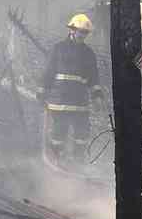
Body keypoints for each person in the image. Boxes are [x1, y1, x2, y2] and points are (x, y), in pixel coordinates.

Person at [40, 14, 103, 164]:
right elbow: (48, 72)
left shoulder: (88, 53)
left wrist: (97, 96)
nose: (83, 35)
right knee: (59, 132)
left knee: (82, 133)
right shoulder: (58, 49)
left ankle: (78, 161)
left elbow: (93, 78)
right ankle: (56, 159)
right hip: (59, 100)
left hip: (80, 102)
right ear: (72, 30)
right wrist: (41, 91)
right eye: (81, 31)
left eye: (86, 33)